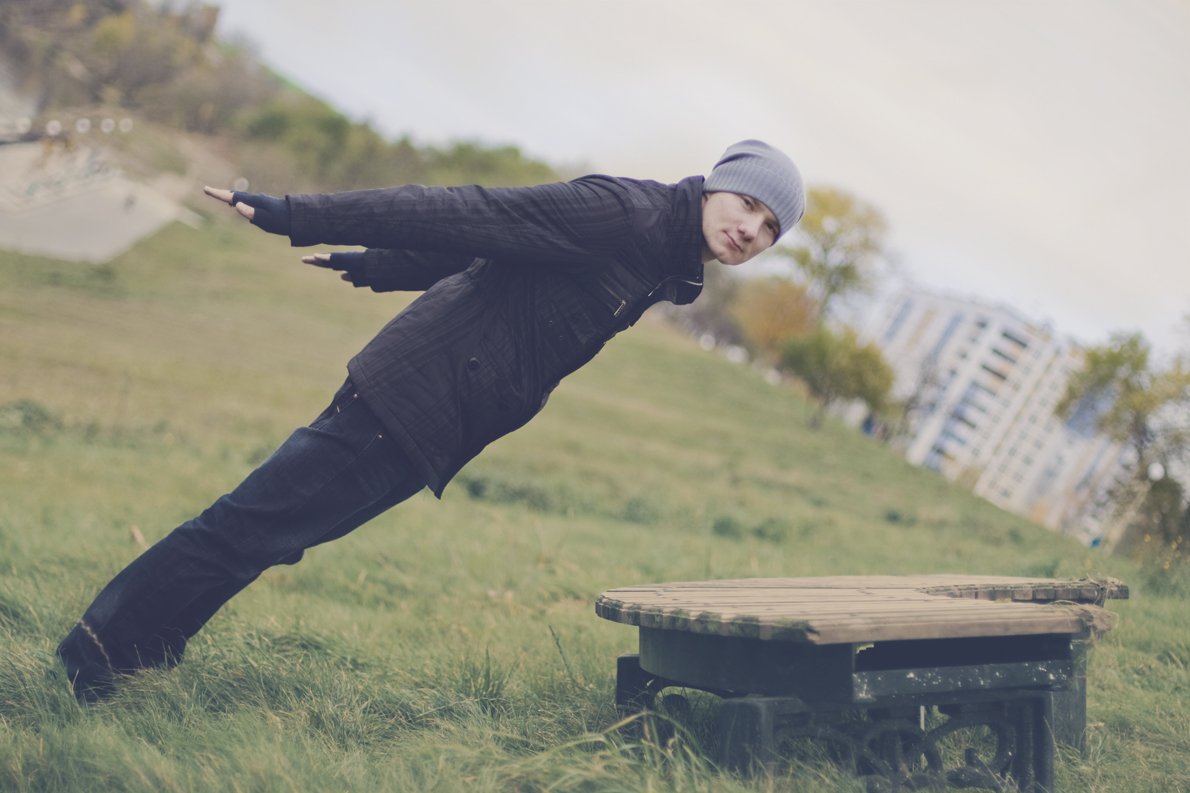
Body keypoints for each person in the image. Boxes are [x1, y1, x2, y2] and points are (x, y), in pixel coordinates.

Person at [56, 139, 805, 701]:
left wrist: (379, 265)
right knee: (247, 526)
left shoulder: (662, 258)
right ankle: (91, 657)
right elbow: (476, 213)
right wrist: (300, 217)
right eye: (748, 205)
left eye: (771, 228)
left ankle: (141, 654)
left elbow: (506, 261)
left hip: (440, 414)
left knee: (270, 538)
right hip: (413, 392)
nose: (751, 229)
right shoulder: (628, 214)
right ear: (717, 186)